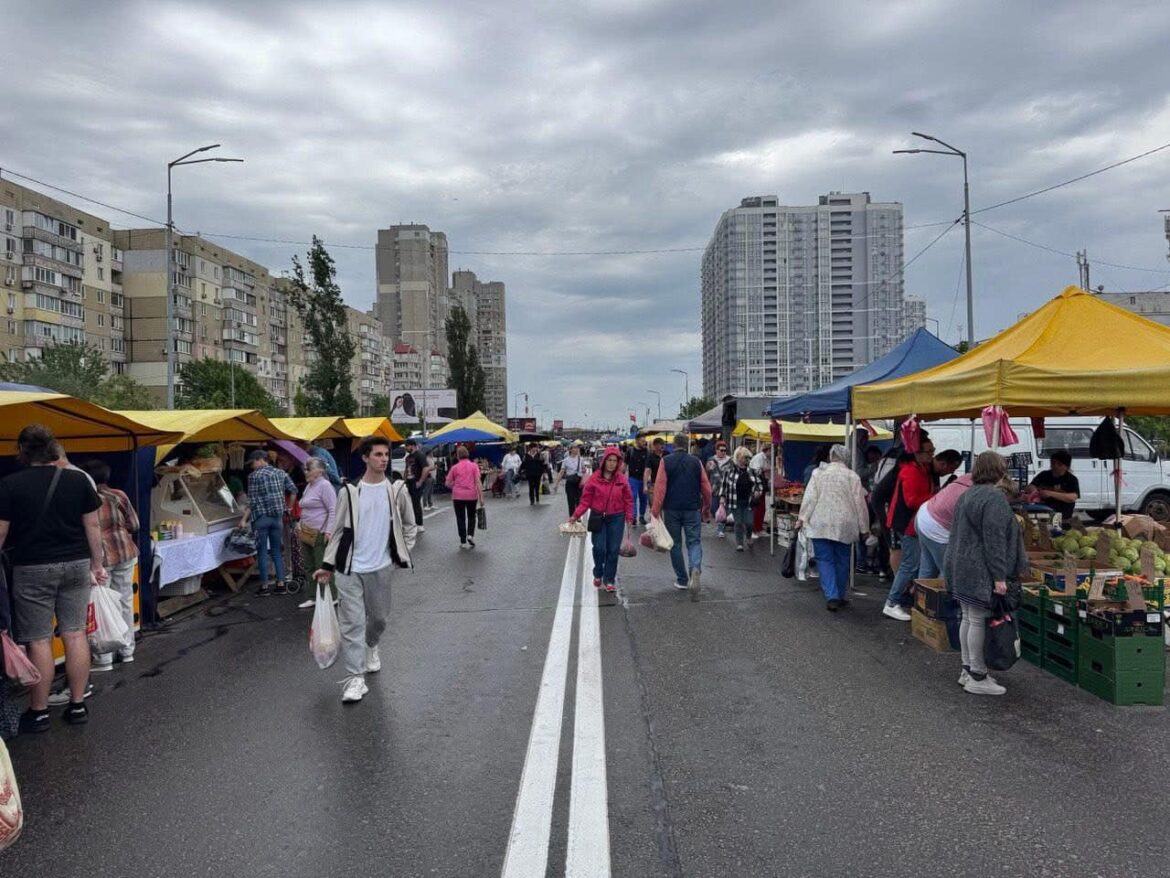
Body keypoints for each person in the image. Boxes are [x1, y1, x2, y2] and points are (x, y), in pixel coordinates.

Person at [0, 425, 107, 732]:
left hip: (32, 568)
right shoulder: (77, 480)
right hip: (76, 564)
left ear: (22, 449)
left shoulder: (9, 485)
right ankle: (77, 705)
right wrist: (97, 564)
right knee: (74, 633)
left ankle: (39, 711)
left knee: (39, 639)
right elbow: (93, 527)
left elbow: (2, 531)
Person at [316, 435, 417, 704]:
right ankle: (355, 679)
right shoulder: (349, 492)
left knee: (379, 619)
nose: (383, 459)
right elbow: (337, 532)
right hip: (349, 568)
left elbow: (410, 524)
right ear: (365, 458)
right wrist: (327, 565)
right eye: (378, 454)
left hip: (382, 566)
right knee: (352, 623)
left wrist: (401, 552)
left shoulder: (396, 490)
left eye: (386, 454)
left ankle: (372, 646)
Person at [945, 451, 1030, 696]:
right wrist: (1000, 577)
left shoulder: (967, 494)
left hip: (961, 567)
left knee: (968, 618)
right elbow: (995, 541)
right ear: (1000, 471)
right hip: (979, 570)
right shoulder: (993, 499)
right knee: (977, 620)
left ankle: (967, 669)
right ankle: (978, 675)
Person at [80, 459, 139, 669]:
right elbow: (135, 524)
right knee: (124, 601)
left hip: (100, 558)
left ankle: (105, 657)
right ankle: (127, 651)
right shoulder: (119, 495)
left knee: (101, 605)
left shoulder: (85, 497)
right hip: (125, 551)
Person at [796, 445, 869, 611]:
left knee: (825, 559)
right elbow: (860, 504)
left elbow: (810, 498)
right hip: (845, 524)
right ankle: (840, 594)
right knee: (842, 560)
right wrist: (864, 528)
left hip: (820, 522)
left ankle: (832, 596)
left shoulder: (818, 473)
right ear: (847, 457)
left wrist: (802, 518)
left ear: (831, 456)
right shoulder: (852, 476)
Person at [651, 434, 713, 600]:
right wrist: (706, 507)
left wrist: (655, 512)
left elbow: (660, 488)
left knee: (675, 544)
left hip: (671, 509)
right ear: (687, 445)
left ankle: (682, 579)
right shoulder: (696, 462)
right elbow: (706, 488)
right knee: (694, 541)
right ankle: (695, 568)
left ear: (673, 445)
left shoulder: (666, 461)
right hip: (692, 508)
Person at [882, 436, 936, 621]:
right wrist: (934, 498)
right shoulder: (910, 471)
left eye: (932, 451)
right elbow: (912, 500)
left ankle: (910, 598)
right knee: (909, 564)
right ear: (916, 453)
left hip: (914, 523)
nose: (932, 455)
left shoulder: (922, 469)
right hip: (907, 524)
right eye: (928, 452)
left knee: (916, 564)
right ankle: (892, 602)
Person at [570, 447, 634, 594]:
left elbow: (628, 500)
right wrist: (575, 515)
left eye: (615, 461)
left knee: (613, 550)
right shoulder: (594, 479)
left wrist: (630, 517)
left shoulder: (622, 480)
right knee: (599, 548)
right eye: (609, 460)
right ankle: (598, 572)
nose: (612, 464)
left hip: (617, 517)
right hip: (599, 517)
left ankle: (609, 579)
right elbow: (585, 501)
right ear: (604, 461)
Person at [242, 448, 298, 596]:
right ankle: (280, 584)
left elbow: (252, 502)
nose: (252, 466)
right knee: (276, 551)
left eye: (252, 463)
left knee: (261, 552)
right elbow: (293, 490)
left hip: (261, 519)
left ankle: (265, 586)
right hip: (277, 519)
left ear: (260, 459)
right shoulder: (281, 473)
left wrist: (243, 519)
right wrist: (289, 507)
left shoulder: (253, 477)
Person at [915, 471, 974, 580]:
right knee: (949, 572)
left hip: (924, 515)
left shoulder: (966, 477)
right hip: (937, 527)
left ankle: (919, 596)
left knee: (928, 568)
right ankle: (943, 597)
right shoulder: (981, 493)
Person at [296, 458, 337, 609]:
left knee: (322, 565)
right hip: (306, 531)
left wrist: (328, 531)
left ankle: (332, 595)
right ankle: (313, 596)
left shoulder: (325, 486)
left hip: (319, 532)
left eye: (309, 469)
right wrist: (300, 524)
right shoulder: (309, 486)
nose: (305, 472)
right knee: (308, 565)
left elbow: (333, 509)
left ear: (319, 471)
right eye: (305, 469)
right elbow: (304, 507)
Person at [720, 447, 765, 552]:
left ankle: (748, 537)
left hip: (749, 501)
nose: (746, 459)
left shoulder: (752, 472)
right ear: (738, 458)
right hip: (734, 501)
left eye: (748, 457)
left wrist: (758, 491)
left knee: (749, 523)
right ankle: (739, 544)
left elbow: (759, 484)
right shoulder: (729, 471)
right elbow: (724, 485)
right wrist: (722, 498)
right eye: (744, 457)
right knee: (738, 522)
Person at [446, 447, 485, 549]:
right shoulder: (474, 466)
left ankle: (463, 541)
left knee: (460, 518)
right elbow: (478, 482)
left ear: (458, 456)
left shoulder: (454, 467)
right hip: (472, 495)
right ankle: (470, 535)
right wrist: (481, 497)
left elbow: (447, 483)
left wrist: (454, 486)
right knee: (471, 516)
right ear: (468, 454)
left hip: (458, 496)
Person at [1030, 449, 1080, 526]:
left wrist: (1051, 493)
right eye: (1053, 463)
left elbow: (1072, 497)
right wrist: (1034, 490)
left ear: (1066, 466)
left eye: (1059, 464)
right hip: (1042, 516)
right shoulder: (1044, 475)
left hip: (1063, 518)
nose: (1055, 466)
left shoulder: (1071, 479)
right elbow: (1030, 486)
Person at [402, 438, 431, 532]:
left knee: (416, 503)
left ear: (412, 445)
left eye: (407, 446)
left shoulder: (420, 455)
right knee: (409, 503)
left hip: (416, 481)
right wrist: (404, 480)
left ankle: (419, 524)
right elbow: (407, 469)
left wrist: (420, 481)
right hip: (409, 482)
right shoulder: (408, 457)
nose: (406, 448)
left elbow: (426, 468)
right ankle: (413, 522)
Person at [706, 440, 733, 537]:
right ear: (716, 450)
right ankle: (720, 523)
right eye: (721, 450)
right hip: (714, 489)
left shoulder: (730, 461)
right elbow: (707, 473)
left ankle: (721, 529)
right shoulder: (711, 460)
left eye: (725, 450)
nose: (723, 452)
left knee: (723, 508)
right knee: (714, 508)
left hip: (726, 489)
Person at [554, 443, 587, 516]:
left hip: (579, 482)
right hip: (570, 482)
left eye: (577, 448)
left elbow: (584, 470)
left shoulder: (580, 459)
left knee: (579, 501)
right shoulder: (566, 460)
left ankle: (578, 517)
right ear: (570, 449)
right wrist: (556, 484)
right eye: (574, 448)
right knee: (571, 501)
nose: (576, 449)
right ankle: (572, 518)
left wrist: (584, 472)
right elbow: (561, 472)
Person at [624, 435, 650, 526]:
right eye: (642, 441)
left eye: (644, 441)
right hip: (633, 478)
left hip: (644, 479)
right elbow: (625, 464)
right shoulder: (630, 451)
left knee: (643, 499)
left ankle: (642, 516)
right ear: (637, 441)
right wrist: (621, 476)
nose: (644, 443)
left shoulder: (647, 451)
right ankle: (634, 517)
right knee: (633, 497)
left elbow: (649, 466)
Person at [748, 440, 771, 539]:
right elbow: (756, 471)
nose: (773, 452)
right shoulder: (759, 458)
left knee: (762, 508)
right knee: (756, 508)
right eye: (771, 450)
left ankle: (759, 528)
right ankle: (753, 529)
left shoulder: (766, 458)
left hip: (762, 485)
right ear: (768, 449)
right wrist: (766, 470)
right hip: (756, 486)